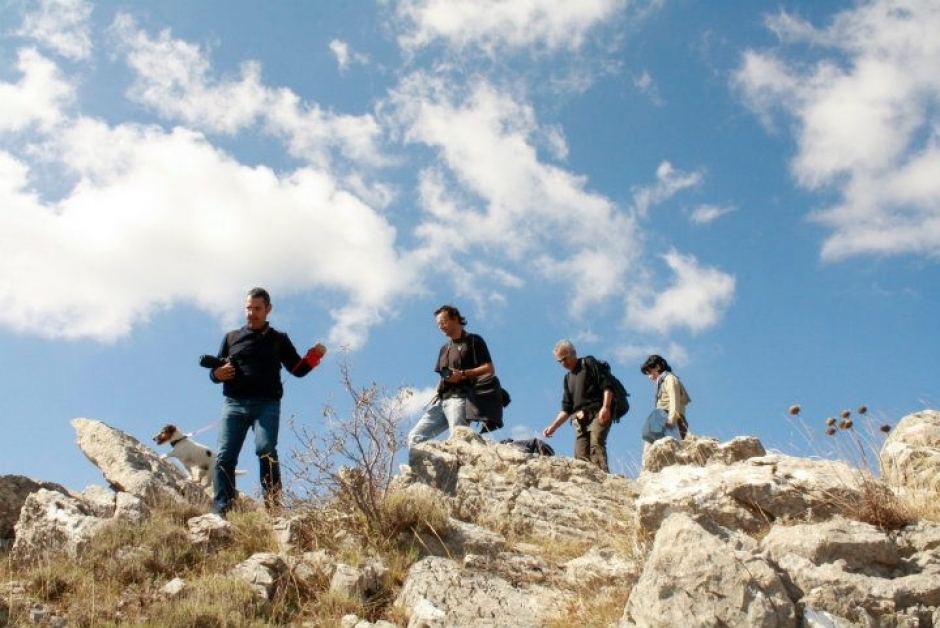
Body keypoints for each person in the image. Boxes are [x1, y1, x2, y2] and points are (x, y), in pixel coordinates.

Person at [207, 287, 327, 515]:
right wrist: (216, 375)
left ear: (268, 309)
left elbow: (297, 369)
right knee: (225, 456)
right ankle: (222, 511)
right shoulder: (231, 337)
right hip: (234, 403)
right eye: (249, 308)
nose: (252, 313)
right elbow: (216, 371)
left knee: (266, 450)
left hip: (267, 405)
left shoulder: (279, 339)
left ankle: (274, 510)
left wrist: (314, 356)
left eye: (257, 309)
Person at [408, 304, 494, 448]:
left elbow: (489, 369)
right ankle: (429, 469)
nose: (441, 326)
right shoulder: (444, 348)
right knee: (415, 437)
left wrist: (462, 375)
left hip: (461, 398)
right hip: (441, 400)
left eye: (443, 322)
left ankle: (463, 469)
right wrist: (436, 392)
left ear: (455, 319)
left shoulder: (473, 340)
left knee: (458, 441)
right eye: (438, 324)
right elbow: (443, 375)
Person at [542, 339, 615, 472]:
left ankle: (604, 481)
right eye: (560, 361)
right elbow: (566, 409)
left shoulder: (588, 363)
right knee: (580, 457)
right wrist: (553, 427)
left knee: (596, 444)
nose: (563, 363)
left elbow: (607, 386)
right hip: (579, 421)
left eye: (565, 358)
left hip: (597, 412)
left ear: (574, 353)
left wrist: (606, 407)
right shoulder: (568, 378)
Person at [640, 354, 690, 439]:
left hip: (671, 418)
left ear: (657, 367)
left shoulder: (669, 378)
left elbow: (674, 399)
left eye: (650, 372)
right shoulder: (661, 382)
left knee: (673, 446)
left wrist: (671, 419)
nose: (649, 377)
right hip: (665, 418)